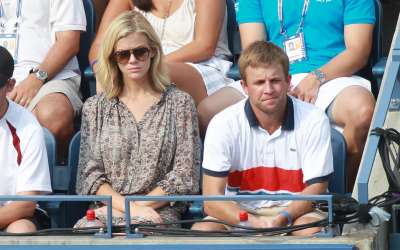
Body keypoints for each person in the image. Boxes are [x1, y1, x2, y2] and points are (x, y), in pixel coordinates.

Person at [199, 0, 376, 190]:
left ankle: (342, 199)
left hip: (332, 75)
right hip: (272, 75)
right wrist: (278, 83)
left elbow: (358, 51)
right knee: (205, 112)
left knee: (363, 112)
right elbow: (253, 51)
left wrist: (316, 78)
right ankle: (232, 196)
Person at [191, 41, 333, 236]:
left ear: (288, 81)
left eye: (275, 80)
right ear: (244, 86)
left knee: (310, 231)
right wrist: (251, 221)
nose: (268, 89)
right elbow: (211, 200)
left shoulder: (314, 119)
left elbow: (316, 189)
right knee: (203, 231)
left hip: (297, 213)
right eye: (259, 82)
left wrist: (282, 218)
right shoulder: (222, 123)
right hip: (241, 213)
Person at [75, 11, 200, 226]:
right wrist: (130, 209)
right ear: (113, 58)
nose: (132, 60)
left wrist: (142, 208)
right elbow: (89, 175)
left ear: (153, 52)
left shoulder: (180, 103)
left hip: (159, 212)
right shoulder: (95, 107)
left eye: (140, 52)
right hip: (107, 210)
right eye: (123, 54)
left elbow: (185, 175)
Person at [88, 0, 232, 105]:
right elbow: (100, 44)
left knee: (145, 73)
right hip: (141, 64)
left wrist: (150, 63)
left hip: (201, 65)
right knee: (113, 74)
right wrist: (102, 69)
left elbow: (204, 46)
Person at [1, 0, 87, 159]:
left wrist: (37, 79)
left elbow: (69, 42)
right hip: (4, 77)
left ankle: (54, 176)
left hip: (49, 75)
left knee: (53, 115)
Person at [0, 46, 52, 233]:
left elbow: (25, 204)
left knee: (21, 230)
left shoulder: (28, 127)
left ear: (10, 85)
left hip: (14, 214)